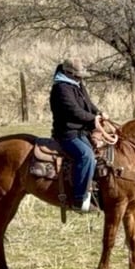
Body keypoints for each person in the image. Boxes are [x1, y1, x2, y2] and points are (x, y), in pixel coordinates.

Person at [49, 58, 108, 213]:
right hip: (68, 133)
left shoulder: (76, 84)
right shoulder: (61, 88)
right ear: (68, 73)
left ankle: (97, 191)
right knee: (86, 155)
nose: (81, 78)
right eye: (78, 75)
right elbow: (73, 111)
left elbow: (88, 104)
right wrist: (92, 119)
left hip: (82, 131)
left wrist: (98, 112)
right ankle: (79, 199)